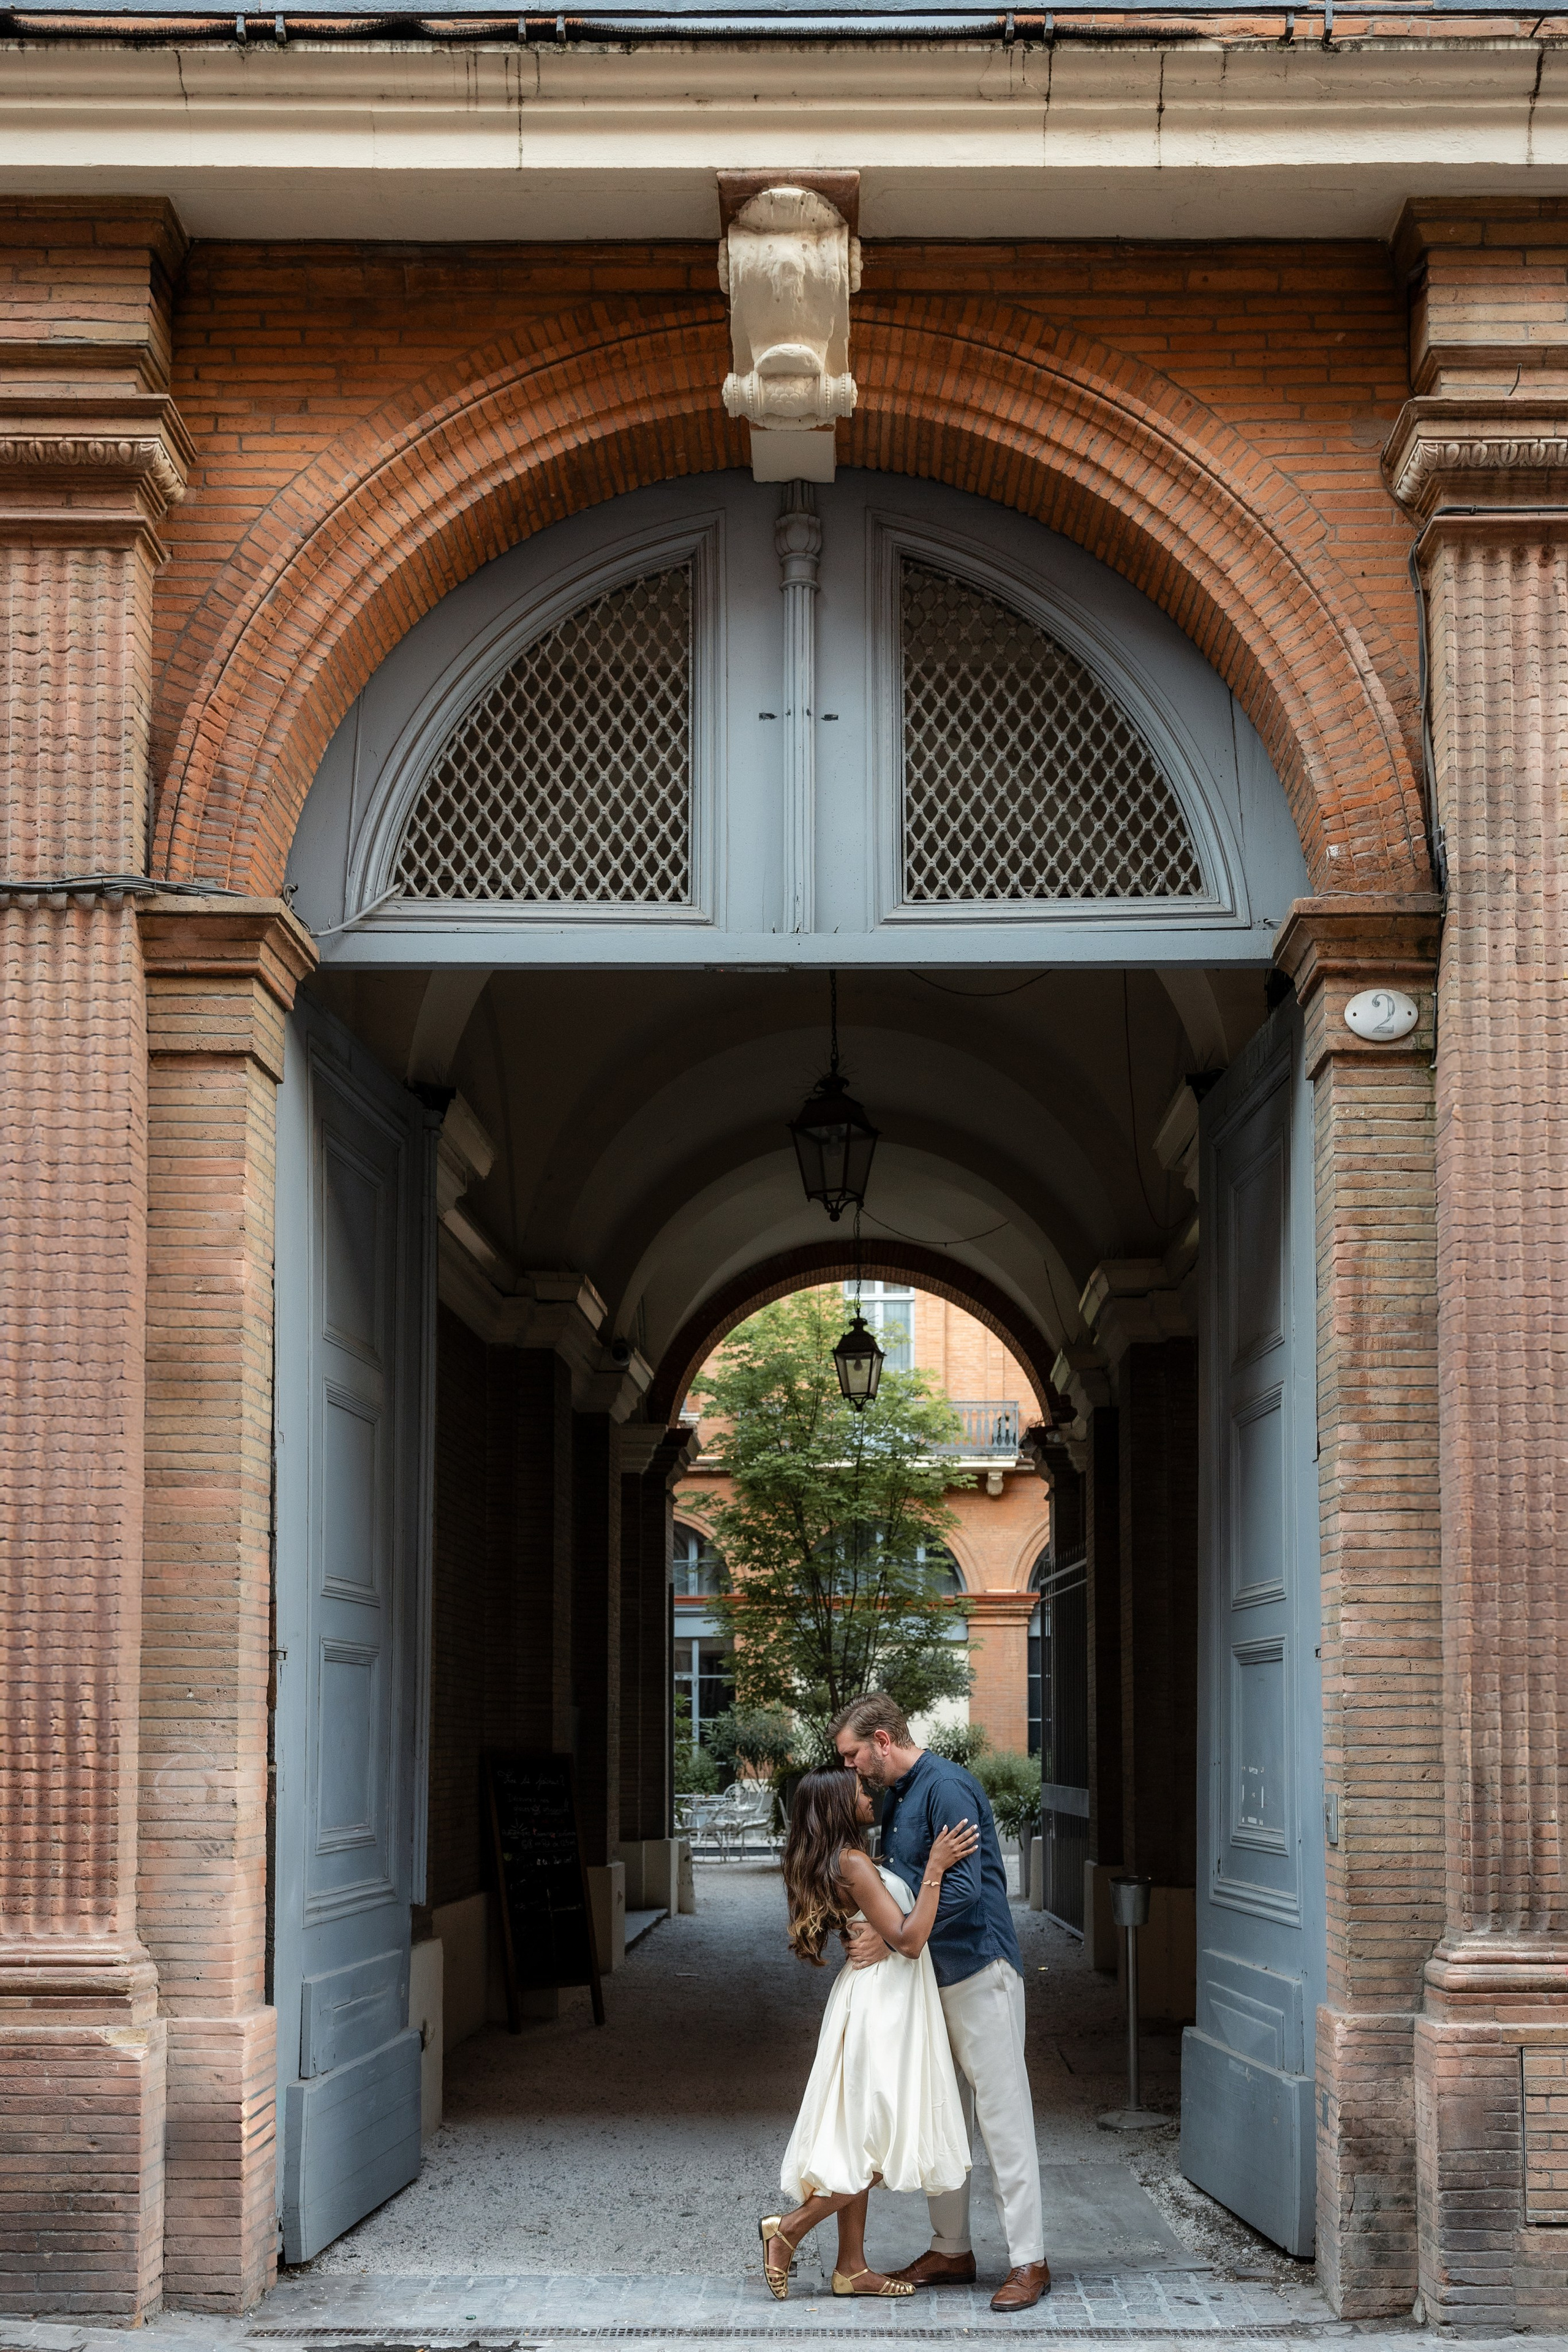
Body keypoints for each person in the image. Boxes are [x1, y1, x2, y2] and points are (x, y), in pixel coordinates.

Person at [832, 1691, 1050, 2313]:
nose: (850, 1768)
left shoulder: (947, 1788)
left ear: (880, 1741)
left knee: (1002, 2116)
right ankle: (951, 2249)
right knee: (942, 2114)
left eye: (851, 1756)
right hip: (930, 1977)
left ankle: (1029, 2260)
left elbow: (963, 1890)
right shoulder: (898, 1795)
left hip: (981, 1969)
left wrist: (893, 1930)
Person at [760, 1765, 978, 2301]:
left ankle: (852, 2268)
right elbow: (908, 1939)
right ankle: (788, 2229)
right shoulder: (853, 1862)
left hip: (876, 1996)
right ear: (838, 1804)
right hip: (885, 2003)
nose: (868, 1793)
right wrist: (934, 1867)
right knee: (884, 2136)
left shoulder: (849, 1860)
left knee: (864, 2135)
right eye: (858, 1790)